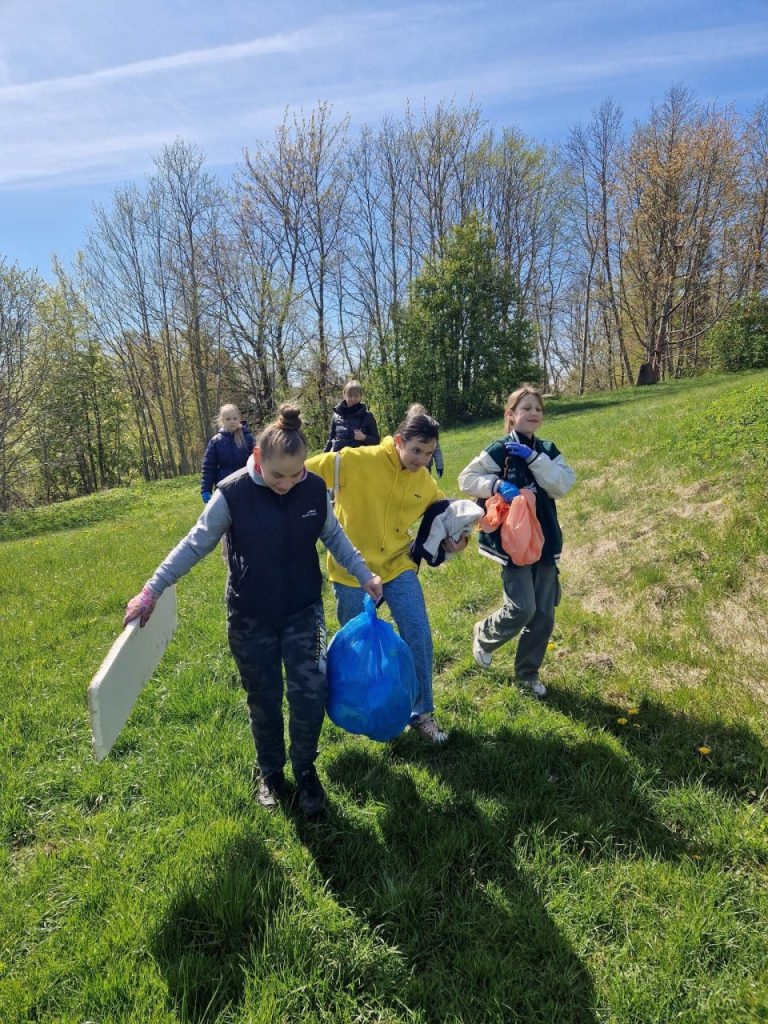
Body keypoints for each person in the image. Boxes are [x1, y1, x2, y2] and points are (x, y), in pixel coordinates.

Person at [124, 405, 383, 817]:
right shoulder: (232, 493)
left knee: (310, 694)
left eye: (296, 474)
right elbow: (194, 544)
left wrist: (365, 574)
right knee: (263, 698)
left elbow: (333, 535)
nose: (287, 484)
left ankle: (305, 768)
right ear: (259, 459)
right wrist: (151, 590)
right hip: (250, 617)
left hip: (305, 612)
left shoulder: (313, 488)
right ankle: (270, 772)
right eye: (278, 475)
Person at [306, 407, 468, 743]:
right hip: (352, 570)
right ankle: (359, 706)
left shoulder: (424, 481)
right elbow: (299, 472)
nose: (422, 459)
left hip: (398, 565)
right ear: (398, 442)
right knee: (355, 646)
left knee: (418, 633)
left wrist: (459, 539)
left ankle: (422, 713)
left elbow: (445, 514)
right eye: (416, 450)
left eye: (429, 452)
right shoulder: (354, 460)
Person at [458, 384, 575, 698]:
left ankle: (527, 675)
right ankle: (484, 635)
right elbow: (466, 478)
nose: (533, 413)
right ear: (511, 415)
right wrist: (497, 484)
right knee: (523, 608)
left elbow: (563, 484)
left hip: (546, 540)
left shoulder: (548, 450)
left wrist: (535, 458)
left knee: (545, 613)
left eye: (538, 408)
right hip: (512, 541)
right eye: (526, 408)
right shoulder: (500, 449)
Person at [200, 404, 255, 503]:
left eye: (235, 418)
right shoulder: (216, 441)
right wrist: (206, 489)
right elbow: (209, 466)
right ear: (222, 420)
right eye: (228, 419)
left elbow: (257, 460)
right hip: (224, 486)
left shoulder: (248, 438)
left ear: (239, 418)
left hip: (245, 484)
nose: (232, 421)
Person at [323, 380, 380, 452]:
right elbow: (330, 440)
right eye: (350, 396)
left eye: (356, 396)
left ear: (361, 397)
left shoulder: (368, 416)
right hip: (338, 459)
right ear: (344, 395)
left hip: (358, 459)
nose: (353, 399)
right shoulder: (336, 415)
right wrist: (322, 456)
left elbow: (376, 441)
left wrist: (364, 437)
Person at [407, 403, 444, 478]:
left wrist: (439, 466)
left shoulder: (430, 433)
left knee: (426, 485)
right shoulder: (408, 432)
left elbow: (436, 449)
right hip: (411, 467)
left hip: (426, 466)